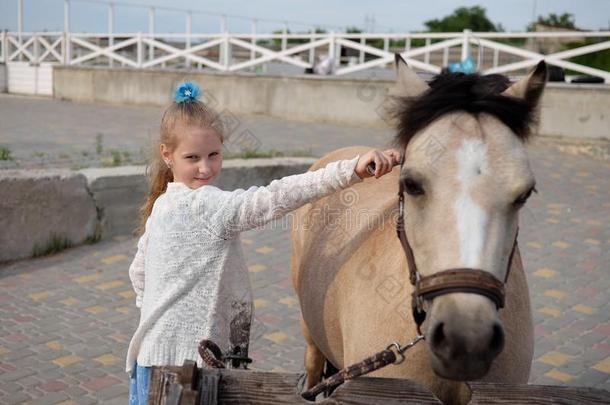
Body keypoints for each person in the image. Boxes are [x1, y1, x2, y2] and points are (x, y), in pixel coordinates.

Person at [126, 81, 401, 404]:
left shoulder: (160, 205)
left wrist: (159, 317)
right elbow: (275, 197)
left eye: (214, 154)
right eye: (193, 157)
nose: (205, 167)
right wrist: (349, 171)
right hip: (189, 372)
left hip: (147, 361)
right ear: (167, 155)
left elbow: (138, 274)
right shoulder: (207, 206)